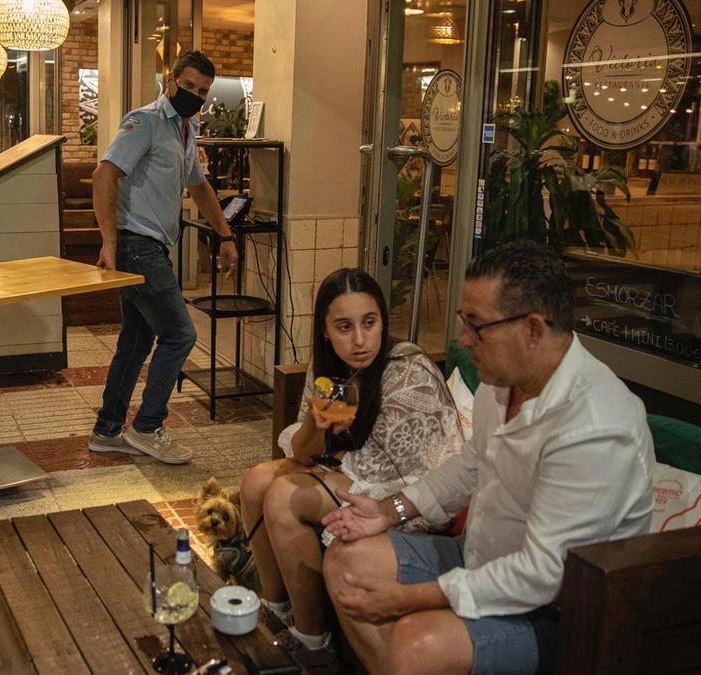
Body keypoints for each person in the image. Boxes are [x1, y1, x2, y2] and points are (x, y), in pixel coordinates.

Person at [320, 240, 655, 675]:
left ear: (533, 330)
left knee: (416, 644)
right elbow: (471, 465)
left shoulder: (594, 427)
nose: (462, 339)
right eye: (465, 320)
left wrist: (410, 599)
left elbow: (542, 575)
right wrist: (389, 510)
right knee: (346, 561)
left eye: (476, 326)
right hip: (479, 556)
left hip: (561, 613)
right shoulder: (501, 383)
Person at [238, 268, 463, 669]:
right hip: (357, 475)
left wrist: (330, 468)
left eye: (369, 323)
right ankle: (276, 611)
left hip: (410, 502)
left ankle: (313, 641)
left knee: (286, 495)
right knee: (256, 480)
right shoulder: (330, 369)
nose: (359, 340)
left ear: (382, 322)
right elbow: (306, 451)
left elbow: (428, 479)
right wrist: (314, 424)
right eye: (344, 327)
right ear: (325, 331)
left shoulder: (408, 373)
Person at [87, 51, 239, 465]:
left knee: (136, 341)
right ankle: (148, 426)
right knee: (180, 335)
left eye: (202, 91)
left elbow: (201, 188)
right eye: (188, 85)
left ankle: (107, 430)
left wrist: (225, 234)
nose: (194, 95)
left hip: (151, 246)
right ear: (170, 80)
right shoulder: (146, 121)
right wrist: (109, 242)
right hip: (137, 246)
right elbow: (105, 174)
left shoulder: (184, 131)